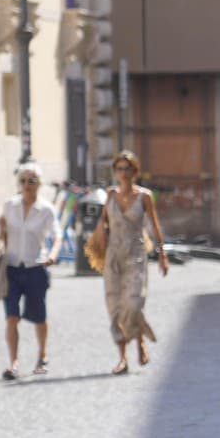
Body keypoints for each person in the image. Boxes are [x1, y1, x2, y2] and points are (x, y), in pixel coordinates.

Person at [92, 150, 170, 374]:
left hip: (136, 255)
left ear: (135, 171)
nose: (123, 173)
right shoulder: (110, 195)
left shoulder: (144, 196)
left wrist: (162, 255)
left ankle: (140, 339)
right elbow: (104, 224)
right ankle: (123, 358)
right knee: (115, 307)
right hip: (113, 257)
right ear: (114, 172)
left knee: (133, 304)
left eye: (127, 169)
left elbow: (155, 227)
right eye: (119, 169)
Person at [0, 165, 61, 380]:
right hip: (12, 268)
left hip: (36, 267)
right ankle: (13, 363)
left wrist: (53, 254)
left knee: (39, 316)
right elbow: (4, 237)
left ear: (39, 184)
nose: (27, 185)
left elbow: (57, 235)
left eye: (31, 180)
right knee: (12, 317)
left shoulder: (46, 209)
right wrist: (1, 231)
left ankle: (42, 353)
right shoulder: (9, 206)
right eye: (23, 180)